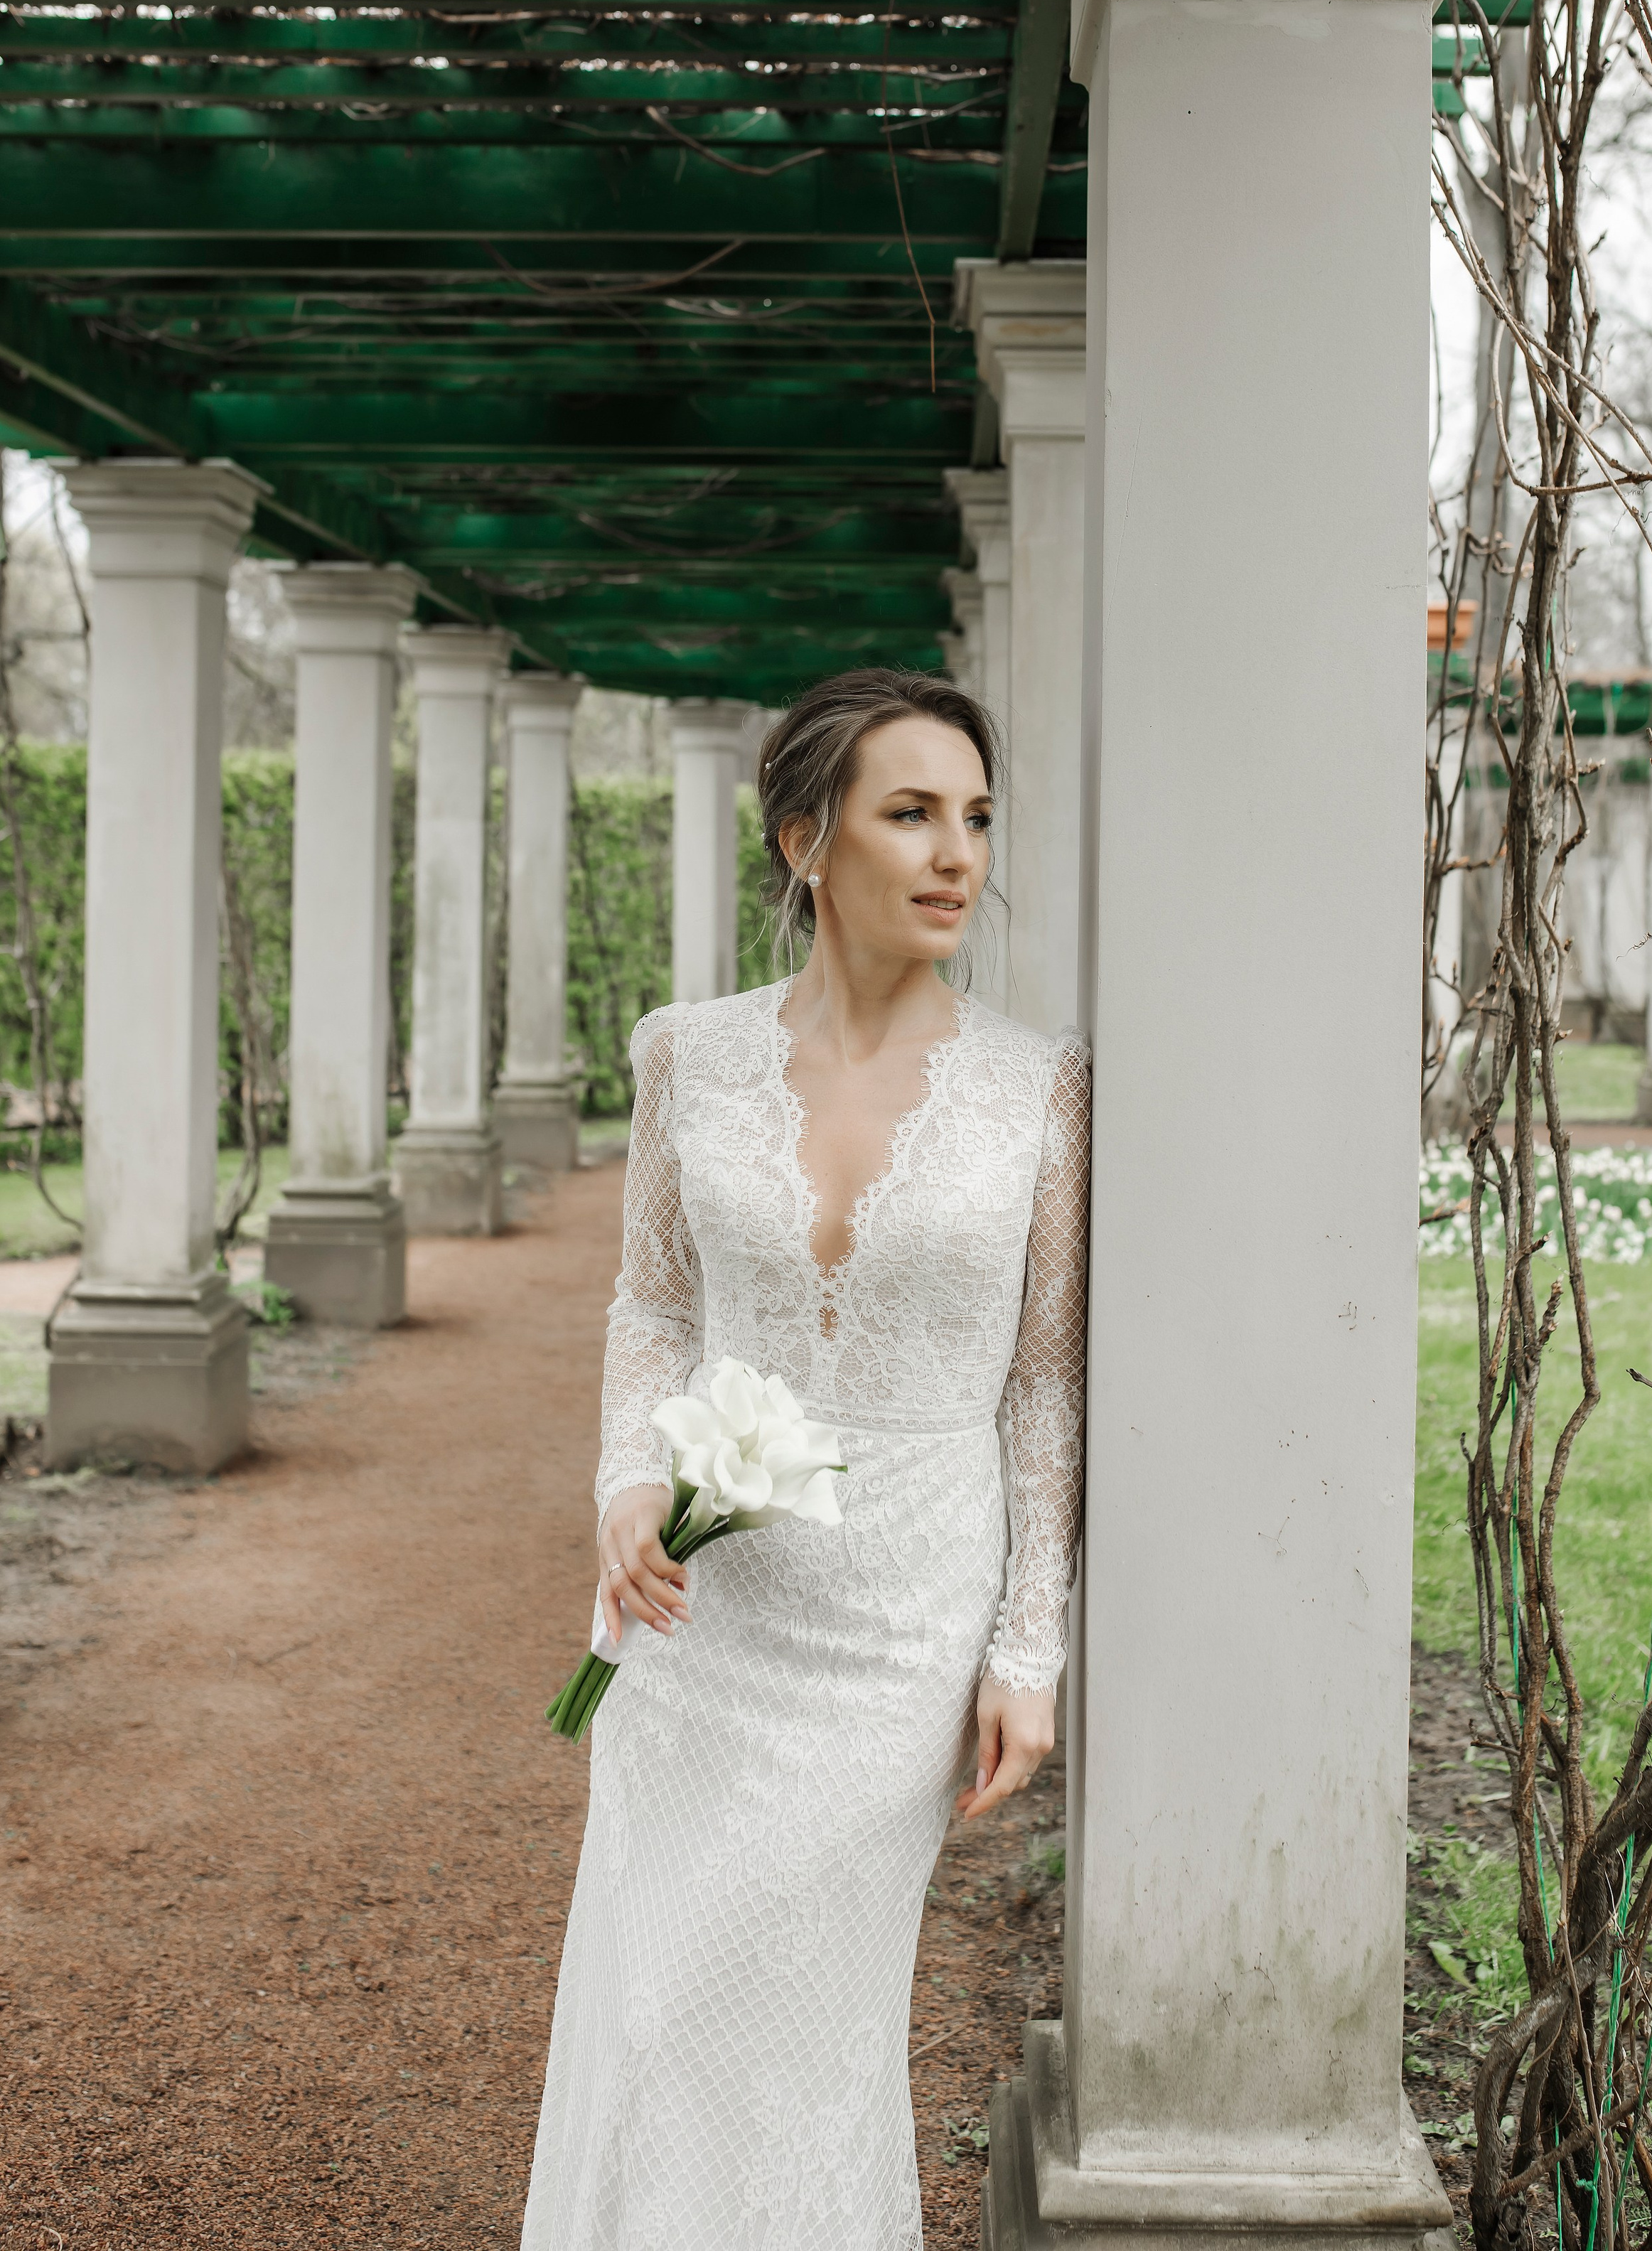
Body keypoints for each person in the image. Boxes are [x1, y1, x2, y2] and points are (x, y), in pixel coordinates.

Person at [521, 667, 1088, 2250]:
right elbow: (653, 1303)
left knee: (797, 2015)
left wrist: (1026, 1648)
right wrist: (627, 1492)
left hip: (900, 1621)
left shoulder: (1040, 1088)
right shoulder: (684, 1057)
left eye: (973, 817)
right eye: (908, 813)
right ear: (802, 840)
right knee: (652, 2012)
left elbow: (1043, 1391)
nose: (953, 853)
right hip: (701, 1616)